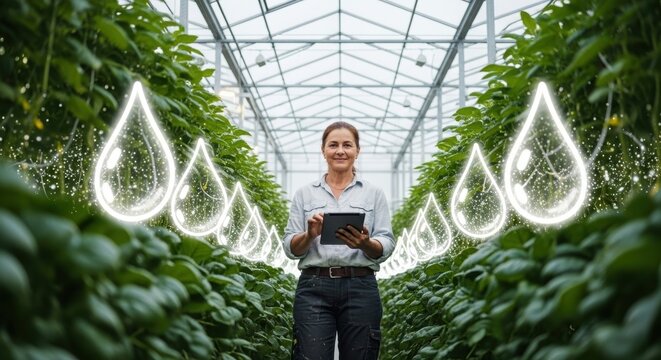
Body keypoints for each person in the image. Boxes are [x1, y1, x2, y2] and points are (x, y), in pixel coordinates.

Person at [282, 121, 395, 360]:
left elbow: (386, 244)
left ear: (357, 151)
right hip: (314, 287)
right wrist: (310, 234)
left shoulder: (373, 193)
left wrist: (365, 243)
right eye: (333, 145)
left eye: (347, 145)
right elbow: (290, 247)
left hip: (360, 286)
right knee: (309, 354)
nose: (340, 151)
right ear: (323, 150)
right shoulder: (305, 193)